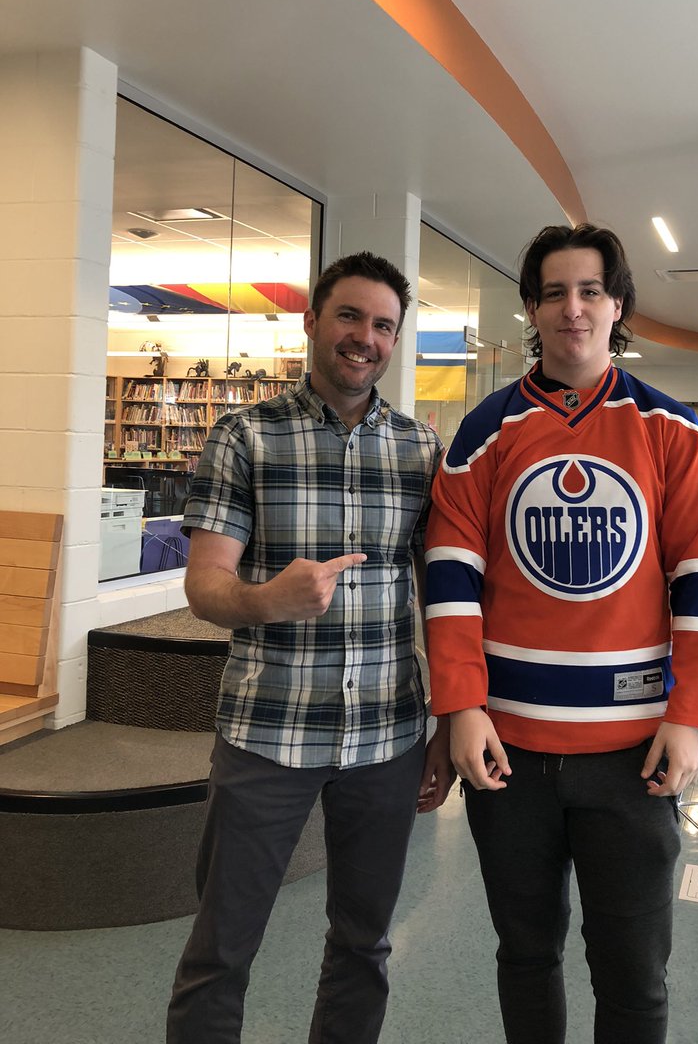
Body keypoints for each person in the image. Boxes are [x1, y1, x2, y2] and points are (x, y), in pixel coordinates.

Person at [424, 223, 698, 1043]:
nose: (573, 308)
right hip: (509, 753)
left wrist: (690, 714)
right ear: (531, 307)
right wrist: (461, 706)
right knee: (525, 955)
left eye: (590, 290)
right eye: (555, 292)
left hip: (633, 754)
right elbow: (451, 576)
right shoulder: (482, 434)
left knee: (633, 972)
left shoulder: (675, 432)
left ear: (617, 303)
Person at [166, 251, 453, 1044]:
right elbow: (204, 586)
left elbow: (443, 598)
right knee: (221, 951)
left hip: (387, 739)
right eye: (350, 317)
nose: (366, 337)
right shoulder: (243, 436)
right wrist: (268, 600)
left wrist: (449, 721)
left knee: (364, 945)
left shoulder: (420, 451)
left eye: (384, 325)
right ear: (313, 321)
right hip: (268, 735)